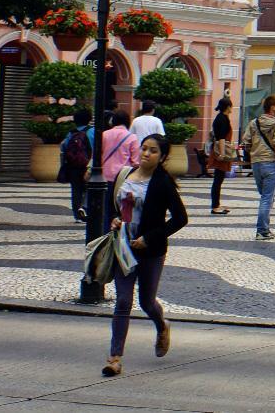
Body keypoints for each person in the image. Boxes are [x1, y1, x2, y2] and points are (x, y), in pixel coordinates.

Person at [101, 133, 187, 379]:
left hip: (150, 251)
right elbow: (113, 205)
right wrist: (115, 220)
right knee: (123, 302)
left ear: (162, 157)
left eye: (153, 151)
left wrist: (150, 238)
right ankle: (115, 358)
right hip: (124, 248)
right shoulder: (124, 175)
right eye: (144, 148)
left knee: (147, 302)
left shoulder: (162, 183)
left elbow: (181, 218)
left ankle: (162, 325)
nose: (146, 153)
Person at [241, 95, 275, 241]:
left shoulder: (254, 123)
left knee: (264, 196)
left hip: (256, 163)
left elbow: (246, 142)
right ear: (272, 108)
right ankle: (262, 230)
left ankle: (263, 228)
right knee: (267, 197)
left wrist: (255, 153)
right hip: (271, 163)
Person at [59, 109, 94, 223]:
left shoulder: (71, 133)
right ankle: (85, 210)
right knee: (89, 189)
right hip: (88, 166)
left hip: (73, 166)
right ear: (89, 119)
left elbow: (63, 146)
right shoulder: (92, 131)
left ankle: (76, 215)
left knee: (76, 189)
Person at [209, 96, 235, 214]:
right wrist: (223, 153)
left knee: (218, 179)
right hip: (220, 151)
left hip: (218, 149)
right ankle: (215, 206)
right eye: (231, 106)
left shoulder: (219, 118)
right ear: (228, 107)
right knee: (218, 179)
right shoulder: (223, 119)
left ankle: (216, 204)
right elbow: (222, 138)